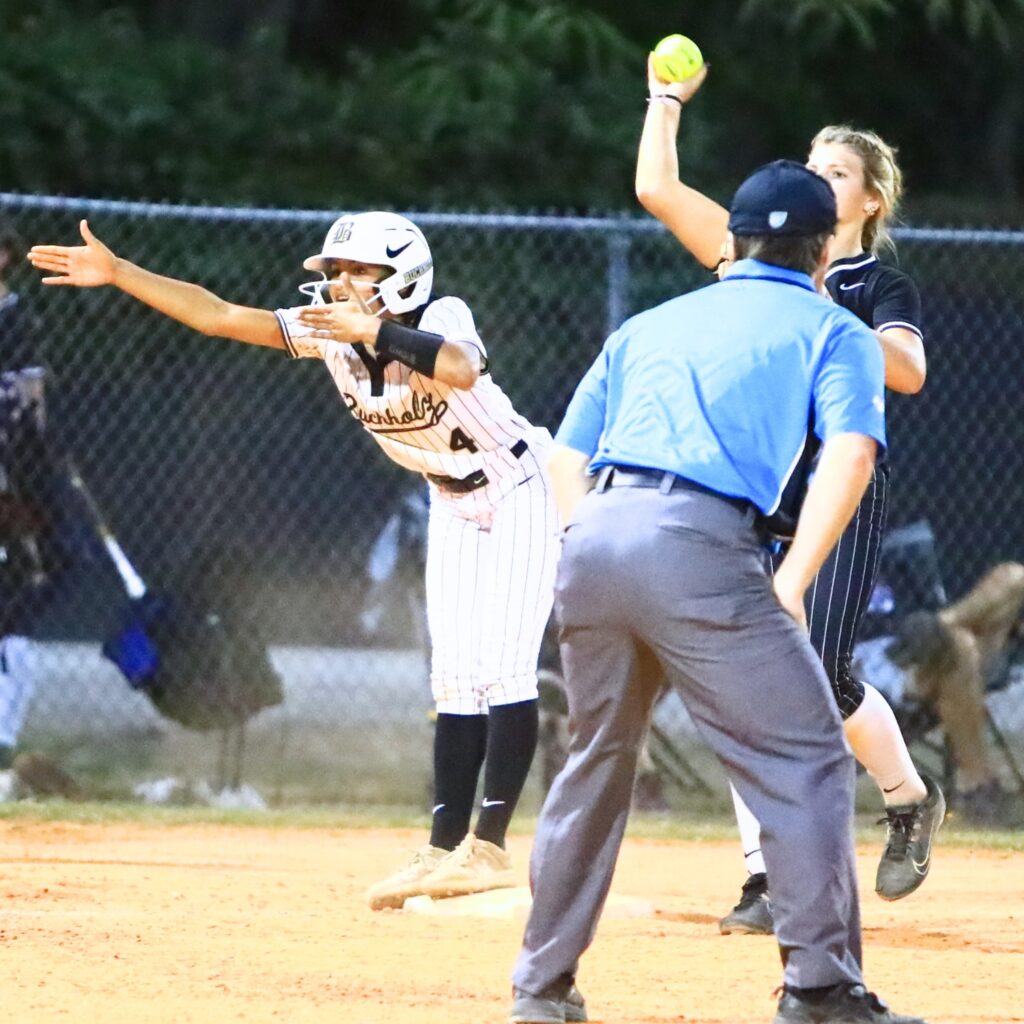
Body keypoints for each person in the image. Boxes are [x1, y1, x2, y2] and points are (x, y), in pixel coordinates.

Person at [28, 212, 561, 906]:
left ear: (401, 277)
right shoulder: (328, 336)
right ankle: (441, 852)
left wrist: (372, 329)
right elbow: (218, 315)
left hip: (520, 486)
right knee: (454, 679)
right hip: (449, 497)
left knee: (504, 669)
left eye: (356, 272)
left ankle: (486, 849)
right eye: (333, 273)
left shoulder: (442, 312)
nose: (338, 284)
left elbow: (458, 366)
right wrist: (121, 272)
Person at [508, 160, 927, 1024]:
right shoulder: (833, 324)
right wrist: (792, 581)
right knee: (806, 756)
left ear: (732, 243)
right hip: (702, 543)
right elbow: (850, 457)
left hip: (595, 535)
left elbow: (561, 460)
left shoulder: (652, 322)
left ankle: (540, 993)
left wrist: (597, 539)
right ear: (820, 255)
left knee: (595, 763)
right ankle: (820, 991)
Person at [635, 61, 944, 932]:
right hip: (752, 490)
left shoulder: (873, 286)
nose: (819, 174)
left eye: (839, 169)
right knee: (761, 677)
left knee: (811, 672)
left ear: (871, 202)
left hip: (835, 497)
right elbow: (656, 186)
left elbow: (909, 370)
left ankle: (904, 796)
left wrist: (812, 302)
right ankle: (768, 877)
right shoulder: (753, 255)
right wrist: (664, 100)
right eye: (813, 162)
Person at [888, 561, 1024, 825]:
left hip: (933, 657)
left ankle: (939, 626)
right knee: (959, 646)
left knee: (1014, 578)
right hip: (893, 676)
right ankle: (979, 785)